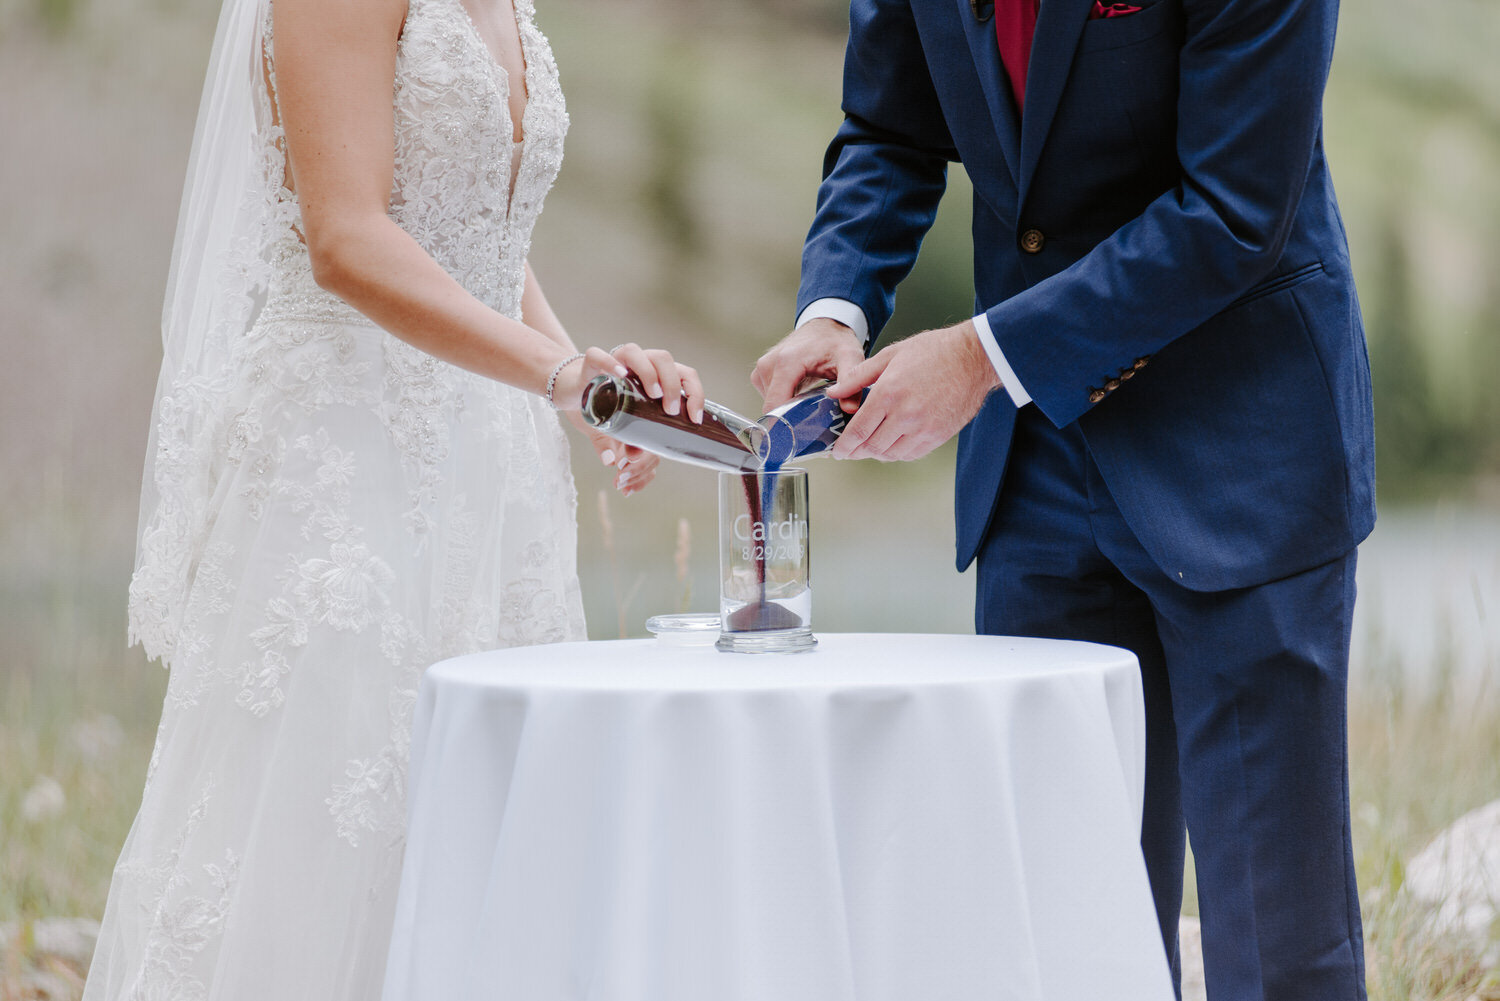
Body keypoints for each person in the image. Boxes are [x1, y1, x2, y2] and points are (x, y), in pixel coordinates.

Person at [754, 0, 1374, 997]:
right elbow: (890, 128)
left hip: (1240, 453)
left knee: (1276, 942)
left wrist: (979, 357)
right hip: (1032, 470)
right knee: (1062, 928)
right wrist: (839, 301)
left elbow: (1235, 210)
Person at [85, 0, 704, 995]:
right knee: (332, 820)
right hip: (351, 454)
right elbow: (348, 236)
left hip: (495, 471)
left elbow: (480, 235)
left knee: (488, 827)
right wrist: (555, 376)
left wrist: (582, 383)